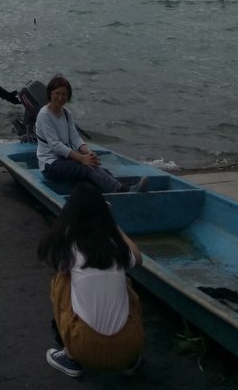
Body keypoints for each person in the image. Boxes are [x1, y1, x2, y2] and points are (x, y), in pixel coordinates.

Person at [37, 183, 144, 378]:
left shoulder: (70, 248)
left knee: (61, 280)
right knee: (125, 283)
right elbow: (138, 258)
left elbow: (56, 263)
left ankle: (70, 357)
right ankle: (129, 362)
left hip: (84, 348)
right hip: (131, 346)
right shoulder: (114, 246)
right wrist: (113, 223)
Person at [35, 75, 148, 193]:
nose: (60, 97)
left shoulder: (66, 113)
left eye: (64, 94)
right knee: (87, 168)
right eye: (57, 93)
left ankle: (123, 187)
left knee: (98, 168)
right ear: (50, 94)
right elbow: (55, 145)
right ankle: (120, 189)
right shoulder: (44, 115)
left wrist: (88, 152)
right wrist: (81, 158)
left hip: (65, 161)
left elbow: (75, 138)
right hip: (50, 165)